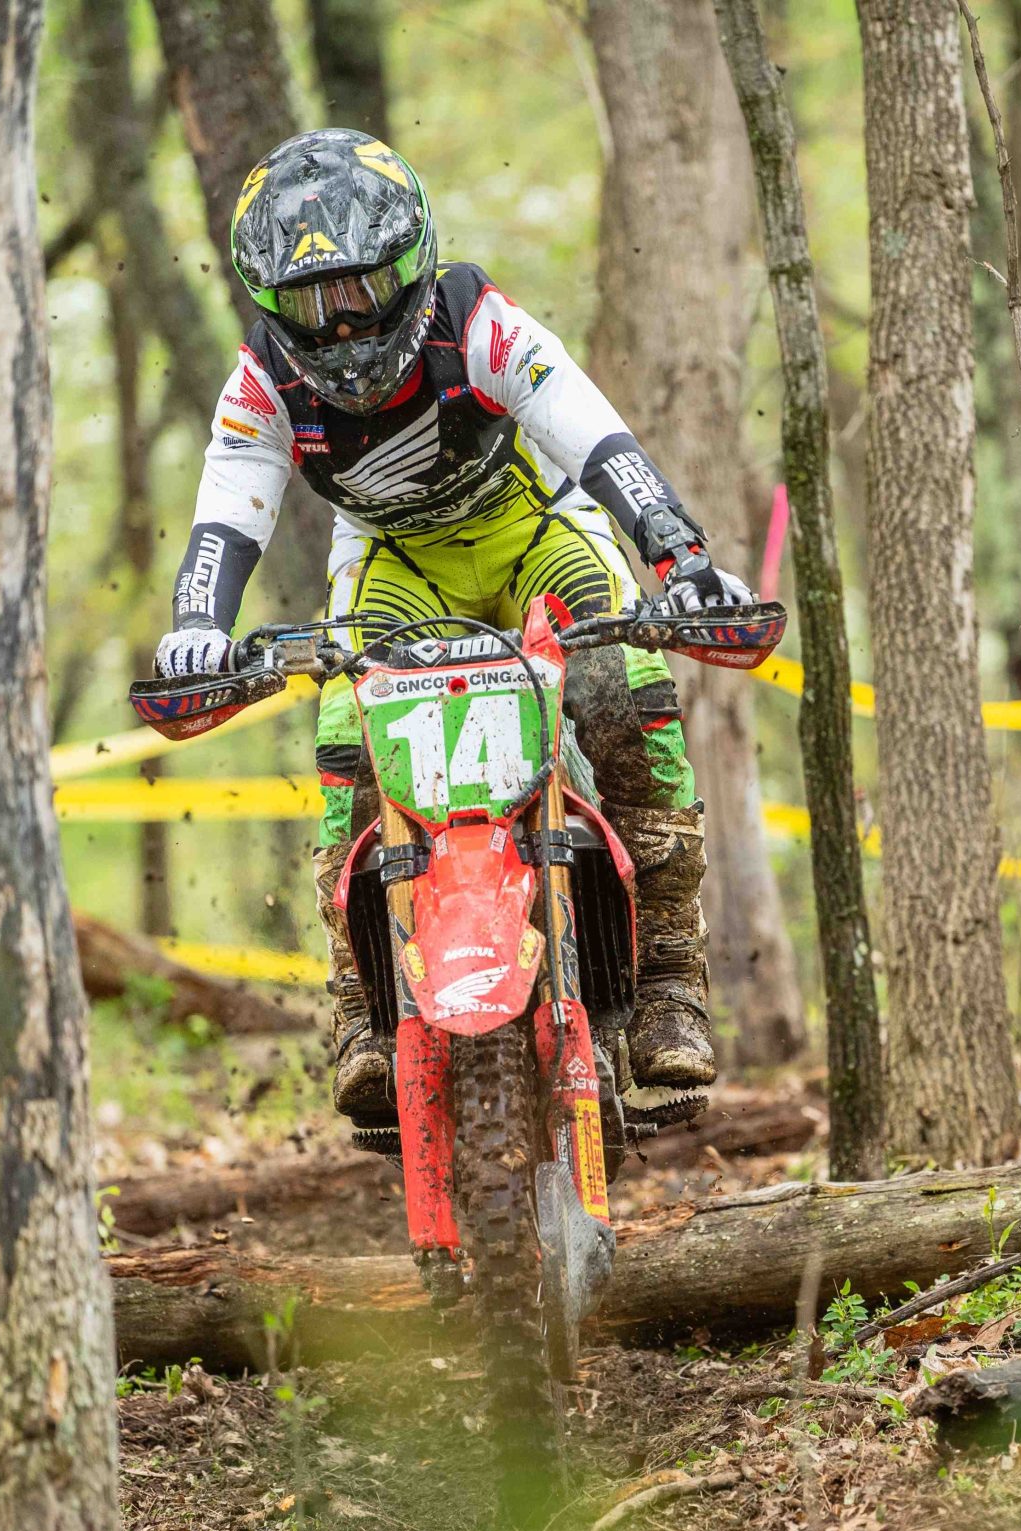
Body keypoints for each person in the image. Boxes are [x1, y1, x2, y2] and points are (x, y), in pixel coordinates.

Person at [152, 129, 755, 1133]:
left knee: (625, 700)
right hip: (398, 565)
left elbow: (592, 432)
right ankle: (359, 1010)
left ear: (407, 268)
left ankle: (670, 987)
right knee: (349, 743)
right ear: (269, 306)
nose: (338, 327)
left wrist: (681, 561)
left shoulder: (476, 322)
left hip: (532, 532)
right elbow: (226, 512)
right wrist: (196, 627)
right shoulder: (264, 381)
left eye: (355, 294)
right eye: (309, 304)